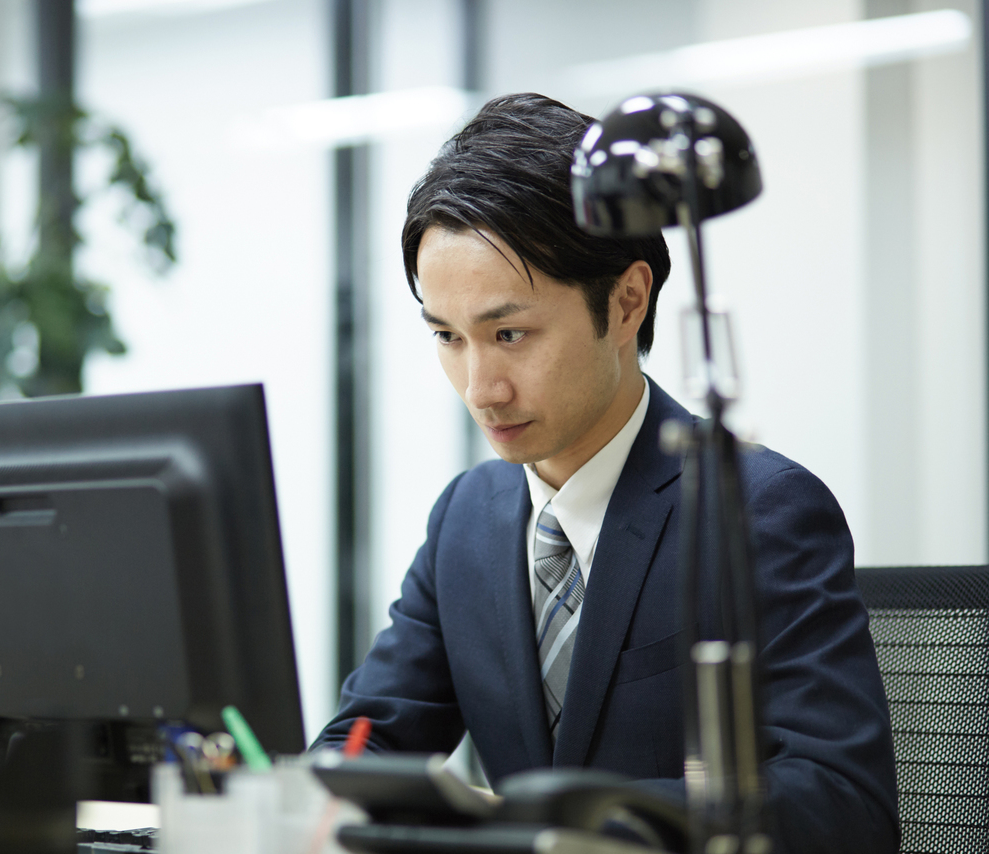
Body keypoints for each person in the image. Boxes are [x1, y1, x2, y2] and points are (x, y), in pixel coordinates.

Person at [312, 93, 899, 854]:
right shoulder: (467, 517)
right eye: (447, 337)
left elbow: (843, 804)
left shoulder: (758, 511)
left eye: (510, 333)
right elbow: (367, 744)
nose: (480, 386)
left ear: (626, 302)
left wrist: (566, 823)